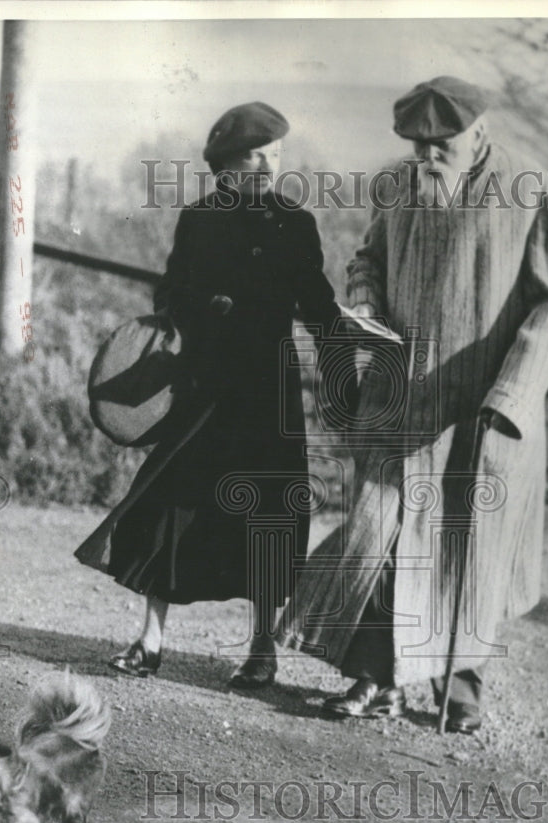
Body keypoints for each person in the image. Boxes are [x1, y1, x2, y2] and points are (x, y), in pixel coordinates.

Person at [280, 77, 548, 733]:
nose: (425, 158)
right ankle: (374, 674)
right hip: (399, 398)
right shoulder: (396, 186)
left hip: (478, 409)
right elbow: (366, 261)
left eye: (439, 146)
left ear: (476, 135)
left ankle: (461, 684)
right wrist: (363, 307)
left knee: (466, 548)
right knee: (381, 536)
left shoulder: (527, 190)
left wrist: (512, 396)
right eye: (416, 146)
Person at [76, 101, 340, 688]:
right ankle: (149, 642)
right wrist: (202, 308)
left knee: (269, 516)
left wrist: (348, 355)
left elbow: (319, 305)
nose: (271, 167)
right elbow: (170, 292)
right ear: (227, 166)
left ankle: (262, 650)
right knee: (171, 507)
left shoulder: (295, 223)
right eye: (258, 157)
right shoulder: (199, 220)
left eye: (277, 156)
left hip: (268, 396)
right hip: (201, 390)